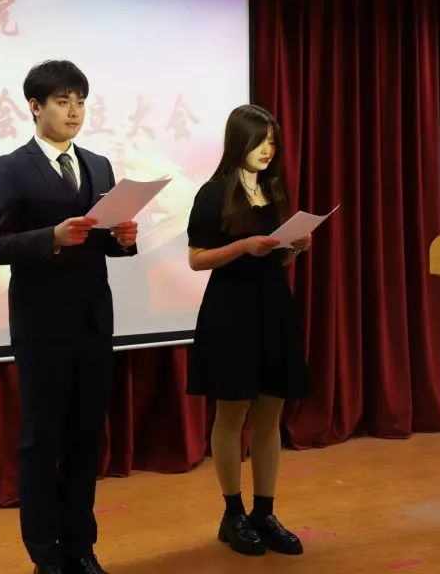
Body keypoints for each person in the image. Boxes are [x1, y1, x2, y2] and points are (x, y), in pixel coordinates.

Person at [0, 60, 138, 574]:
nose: (74, 112)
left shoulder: (99, 165)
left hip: (92, 322)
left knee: (85, 439)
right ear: (35, 106)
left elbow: (104, 242)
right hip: (41, 326)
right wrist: (50, 237)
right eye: (63, 101)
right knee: (40, 442)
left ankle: (80, 546)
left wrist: (122, 240)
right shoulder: (12, 167)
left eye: (80, 102)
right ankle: (44, 552)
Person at [186, 104, 311, 557]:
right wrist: (242, 246)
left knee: (269, 415)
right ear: (239, 140)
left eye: (273, 141)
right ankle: (232, 512)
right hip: (231, 312)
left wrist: (294, 247)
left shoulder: (273, 190)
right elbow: (196, 259)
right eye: (260, 141)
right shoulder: (214, 192)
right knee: (232, 414)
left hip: (273, 308)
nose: (267, 149)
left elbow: (278, 259)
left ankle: (265, 511)